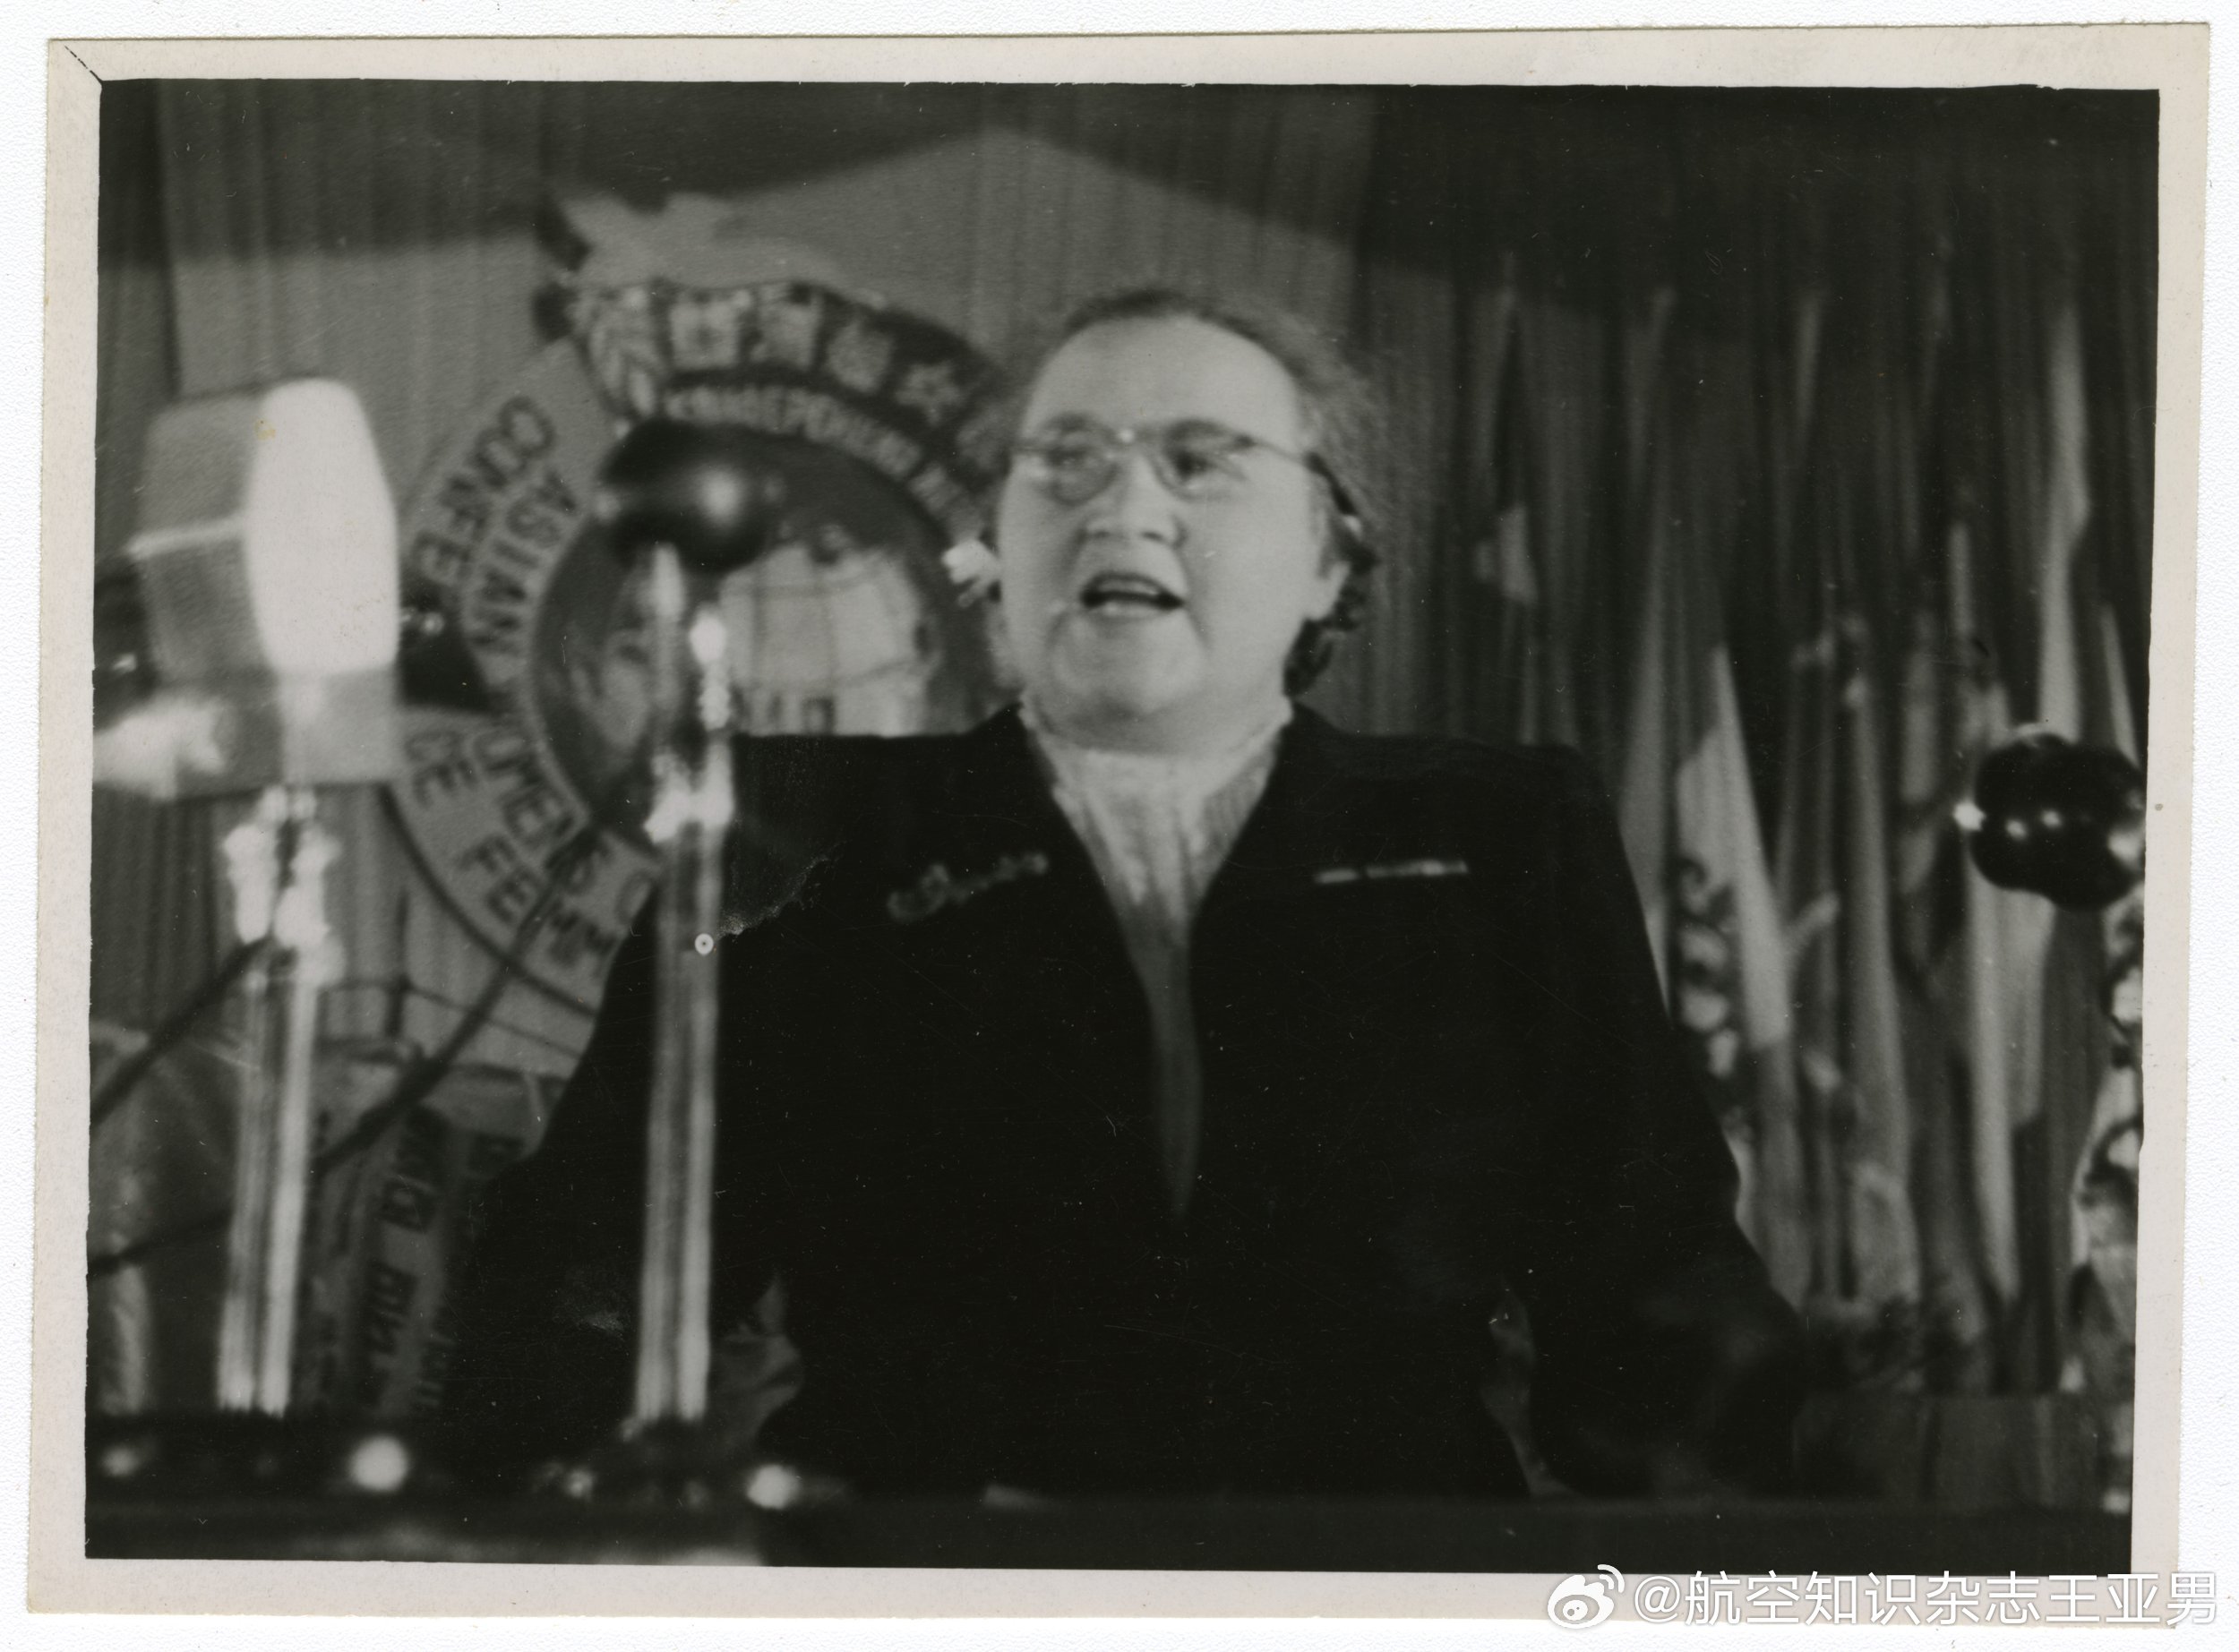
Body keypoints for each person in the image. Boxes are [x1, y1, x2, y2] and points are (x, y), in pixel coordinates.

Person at [442, 287, 1808, 1500]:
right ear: (995, 545)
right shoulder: (796, 835)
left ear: (1331, 557)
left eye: (1201, 461)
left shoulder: (1500, 835)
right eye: (1066, 461)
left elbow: (1661, 1301)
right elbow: (586, 1280)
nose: (1124, 506)